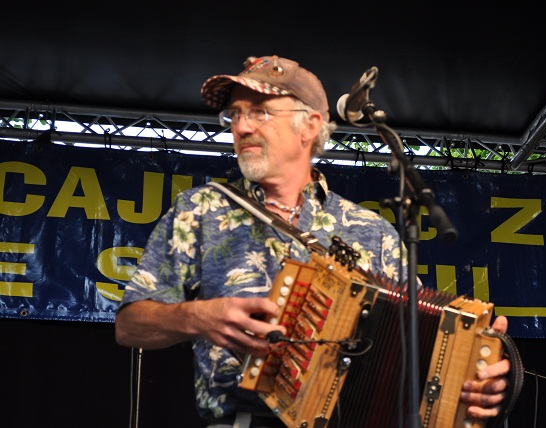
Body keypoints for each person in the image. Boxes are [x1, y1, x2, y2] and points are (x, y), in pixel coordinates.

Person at [115, 55, 510, 428]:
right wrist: (194, 317)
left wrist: (475, 377)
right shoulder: (201, 209)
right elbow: (129, 326)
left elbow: (425, 352)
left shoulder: (373, 231)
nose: (241, 126)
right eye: (234, 114)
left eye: (259, 111)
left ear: (309, 125)